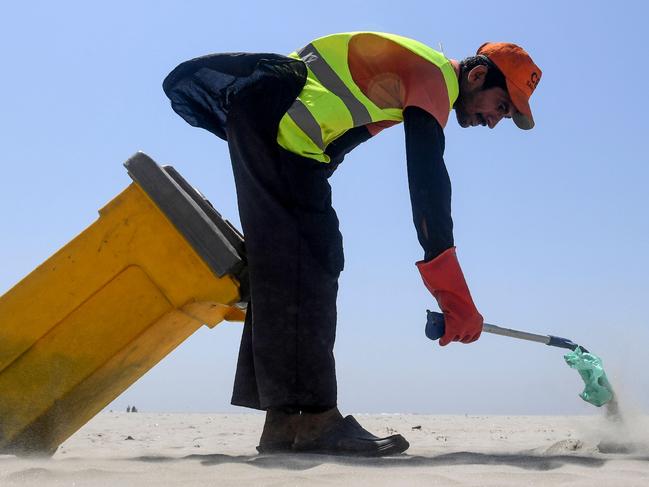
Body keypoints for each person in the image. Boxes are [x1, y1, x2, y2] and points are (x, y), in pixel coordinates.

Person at [163, 32, 541, 456]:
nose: (494, 121)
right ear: (475, 75)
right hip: (276, 131)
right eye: (501, 107)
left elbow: (341, 136)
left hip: (266, 122)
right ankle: (318, 420)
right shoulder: (434, 77)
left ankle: (284, 425)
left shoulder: (411, 73)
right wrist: (455, 298)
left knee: (289, 265)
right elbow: (428, 188)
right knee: (314, 261)